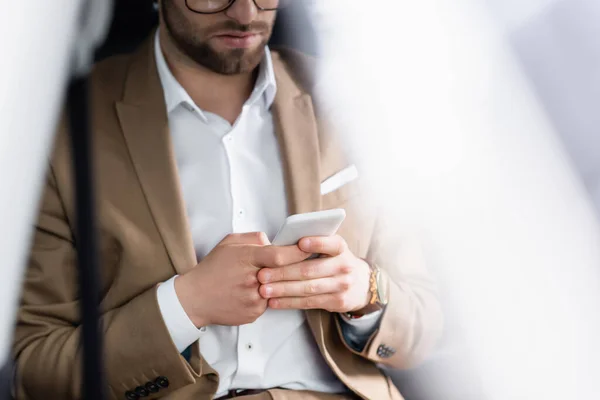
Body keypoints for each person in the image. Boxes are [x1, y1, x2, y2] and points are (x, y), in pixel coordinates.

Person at [12, 1, 443, 399]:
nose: (244, 13)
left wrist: (365, 293)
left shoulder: (351, 103)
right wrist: (185, 305)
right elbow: (34, 369)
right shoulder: (62, 123)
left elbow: (426, 327)